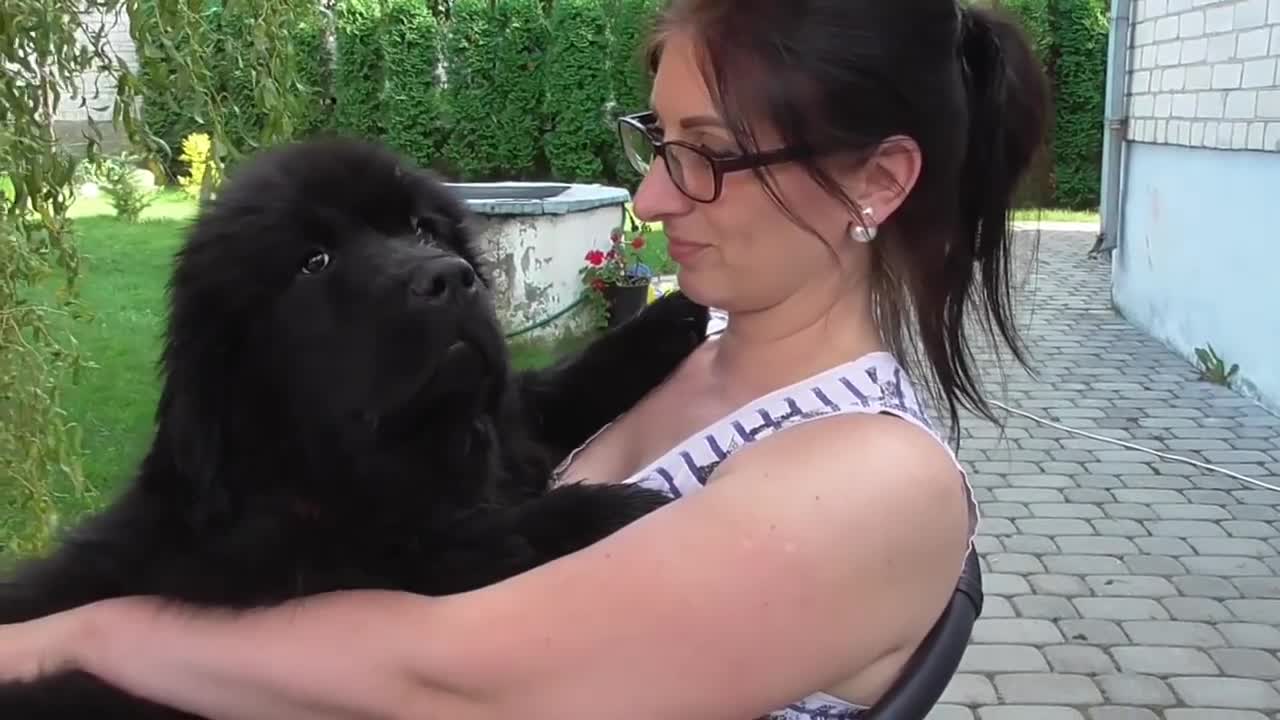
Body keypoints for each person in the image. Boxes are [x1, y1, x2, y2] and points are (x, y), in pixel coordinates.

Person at [0, 1, 1049, 718]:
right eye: (657, 139)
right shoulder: (700, 360)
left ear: (878, 180)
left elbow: (449, 683)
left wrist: (78, 635)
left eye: (711, 156)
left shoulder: (868, 484)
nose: (649, 197)